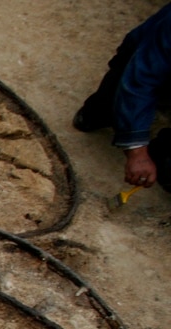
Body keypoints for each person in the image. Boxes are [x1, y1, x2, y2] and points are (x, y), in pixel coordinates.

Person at [74, 4, 171, 191]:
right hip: (148, 57)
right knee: (106, 108)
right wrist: (137, 150)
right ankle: (102, 112)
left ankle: (162, 151)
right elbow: (140, 80)